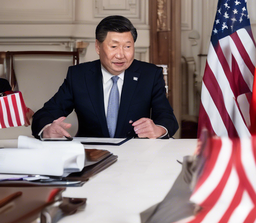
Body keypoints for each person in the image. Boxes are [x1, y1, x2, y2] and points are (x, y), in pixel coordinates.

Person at [31, 16, 178, 139]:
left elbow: (167, 117)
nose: (120, 55)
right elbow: (45, 114)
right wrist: (47, 129)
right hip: (91, 154)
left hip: (135, 153)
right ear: (98, 47)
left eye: (127, 46)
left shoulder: (150, 74)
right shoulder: (79, 76)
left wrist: (158, 129)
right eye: (114, 46)